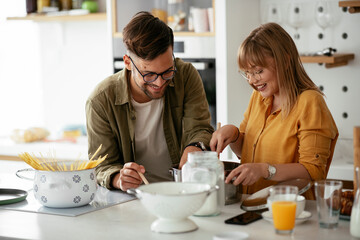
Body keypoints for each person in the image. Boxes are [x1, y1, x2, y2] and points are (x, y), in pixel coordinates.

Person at [86, 12, 213, 191]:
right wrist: (118, 178)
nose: (159, 82)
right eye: (149, 74)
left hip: (182, 191)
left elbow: (200, 129)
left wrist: (196, 147)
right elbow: (101, 166)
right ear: (128, 63)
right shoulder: (100, 101)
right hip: (132, 199)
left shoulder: (186, 76)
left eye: (168, 71)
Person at [210, 23, 338, 199]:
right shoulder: (258, 98)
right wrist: (232, 133)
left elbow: (313, 170)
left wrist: (264, 170)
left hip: (291, 209)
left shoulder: (310, 102)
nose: (251, 80)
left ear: (285, 61)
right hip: (252, 206)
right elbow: (245, 153)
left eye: (258, 71)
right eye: (247, 73)